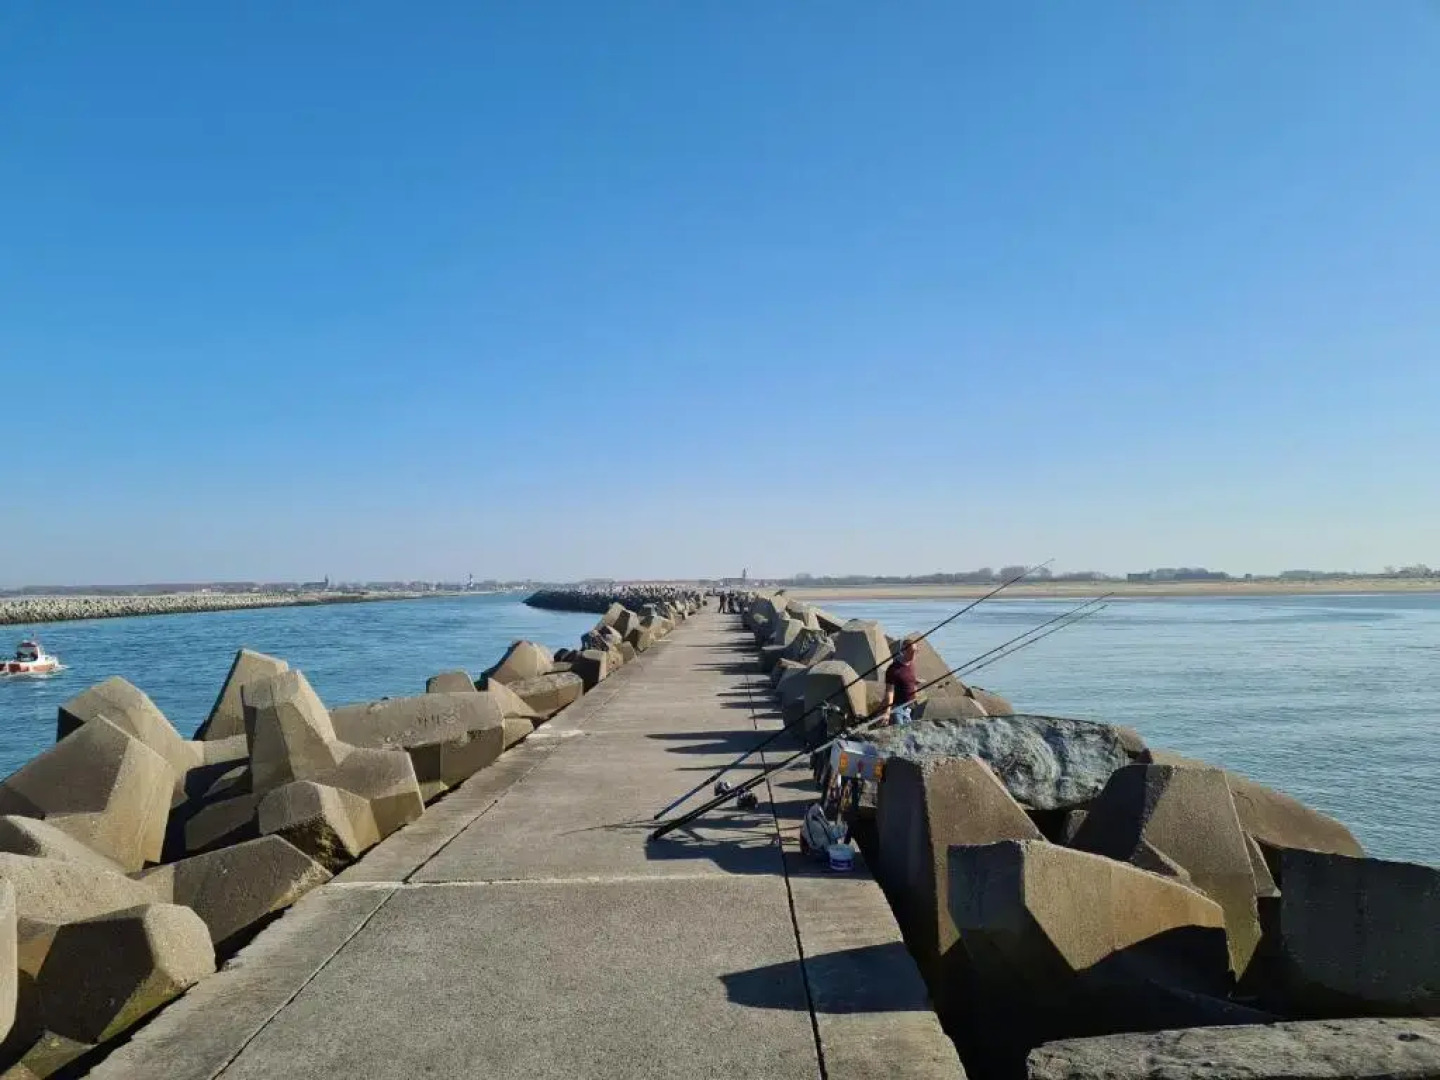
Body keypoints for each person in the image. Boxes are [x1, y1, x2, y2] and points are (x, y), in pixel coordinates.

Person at [882, 636, 920, 725]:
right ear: (903, 651)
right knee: (900, 733)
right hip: (897, 708)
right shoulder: (893, 669)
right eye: (911, 651)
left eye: (916, 652)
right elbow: (889, 692)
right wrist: (887, 711)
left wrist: (915, 683)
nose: (914, 655)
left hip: (909, 708)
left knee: (908, 735)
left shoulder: (911, 665)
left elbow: (909, 679)